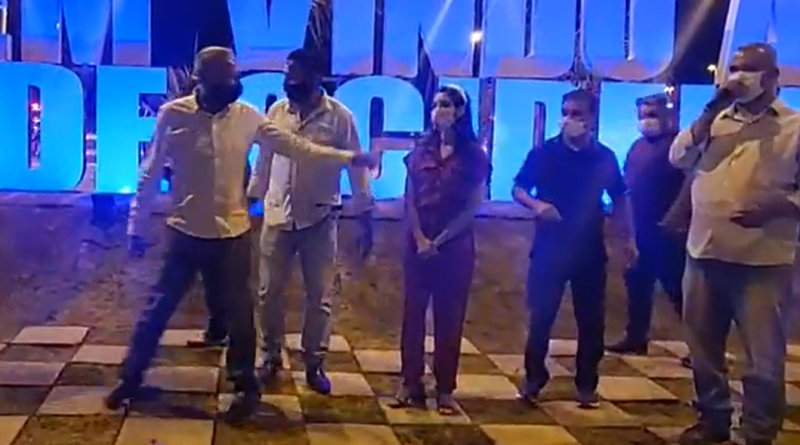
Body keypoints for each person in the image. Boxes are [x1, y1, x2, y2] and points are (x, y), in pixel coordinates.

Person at [103, 47, 373, 423]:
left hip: (232, 235)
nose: (235, 80)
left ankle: (245, 387)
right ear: (202, 78)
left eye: (235, 73)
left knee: (241, 317)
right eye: (228, 74)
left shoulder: (248, 116)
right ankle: (130, 379)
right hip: (185, 233)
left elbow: (297, 148)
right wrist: (136, 224)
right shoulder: (174, 114)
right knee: (157, 310)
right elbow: (150, 171)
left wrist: (349, 159)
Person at [669, 43, 800, 445]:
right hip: (704, 252)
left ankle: (758, 432)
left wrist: (781, 207)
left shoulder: (794, 127)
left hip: (763, 260)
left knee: (763, 358)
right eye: (736, 67)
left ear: (773, 77)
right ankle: (713, 421)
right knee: (704, 350)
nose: (740, 76)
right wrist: (711, 111)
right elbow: (679, 158)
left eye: (750, 69)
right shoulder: (716, 121)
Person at [253, 48, 374, 395]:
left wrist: (364, 213)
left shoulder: (341, 117)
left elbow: (357, 170)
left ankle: (314, 362)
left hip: (320, 218)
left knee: (319, 297)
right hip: (277, 215)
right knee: (267, 293)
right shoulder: (276, 111)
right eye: (287, 74)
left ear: (316, 76)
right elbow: (264, 159)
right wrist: (252, 197)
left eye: (296, 74)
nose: (289, 81)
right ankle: (270, 356)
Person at [512, 89, 637, 409]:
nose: (569, 119)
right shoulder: (544, 153)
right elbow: (519, 188)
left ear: (592, 118)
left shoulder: (604, 157)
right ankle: (534, 378)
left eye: (577, 114)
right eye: (565, 112)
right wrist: (537, 205)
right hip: (549, 247)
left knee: (591, 321)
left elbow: (620, 197)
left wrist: (627, 238)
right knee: (541, 317)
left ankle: (586, 383)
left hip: (589, 250)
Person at [390, 85, 490, 415]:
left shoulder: (475, 156)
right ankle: (410, 381)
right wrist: (420, 239)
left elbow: (473, 206)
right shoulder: (421, 149)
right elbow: (409, 198)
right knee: (412, 315)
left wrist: (442, 240)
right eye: (435, 105)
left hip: (455, 248)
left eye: (445, 104)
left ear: (460, 111)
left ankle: (445, 388)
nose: (438, 111)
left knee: (449, 318)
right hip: (416, 244)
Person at [606, 94, 689, 365]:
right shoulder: (637, 148)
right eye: (643, 115)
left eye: (652, 114)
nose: (647, 120)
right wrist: (625, 227)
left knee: (679, 290)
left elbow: (691, 184)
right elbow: (627, 189)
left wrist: (676, 218)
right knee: (637, 283)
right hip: (640, 228)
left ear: (668, 116)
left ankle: (702, 347)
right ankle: (636, 337)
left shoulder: (681, 146)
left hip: (671, 230)